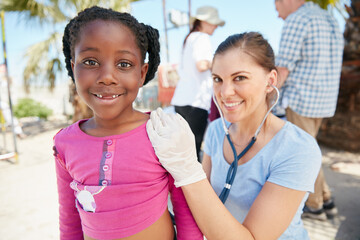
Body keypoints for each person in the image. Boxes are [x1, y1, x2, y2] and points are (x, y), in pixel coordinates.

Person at [147, 32, 322, 239]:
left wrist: (187, 169)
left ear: (270, 80)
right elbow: (203, 198)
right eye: (218, 79)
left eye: (240, 78)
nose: (225, 92)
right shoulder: (215, 130)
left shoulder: (298, 149)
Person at [53, 6, 202, 240]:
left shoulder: (162, 132)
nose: (107, 77)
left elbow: (185, 211)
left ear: (142, 73)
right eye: (90, 61)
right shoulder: (64, 143)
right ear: (73, 67)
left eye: (124, 64)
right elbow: (69, 220)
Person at [274, 0, 344, 220]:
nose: (278, 15)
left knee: (303, 152)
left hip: (301, 99)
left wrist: (265, 98)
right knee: (310, 147)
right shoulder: (329, 18)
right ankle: (326, 199)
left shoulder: (298, 19)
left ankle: (314, 205)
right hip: (323, 100)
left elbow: (283, 68)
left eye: (276, 8)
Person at [170, 6, 225, 160]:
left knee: (184, 152)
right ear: (204, 21)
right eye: (213, 22)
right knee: (193, 155)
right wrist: (220, 62)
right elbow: (201, 65)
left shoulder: (190, 38)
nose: (215, 26)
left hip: (182, 99)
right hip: (195, 101)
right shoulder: (202, 37)